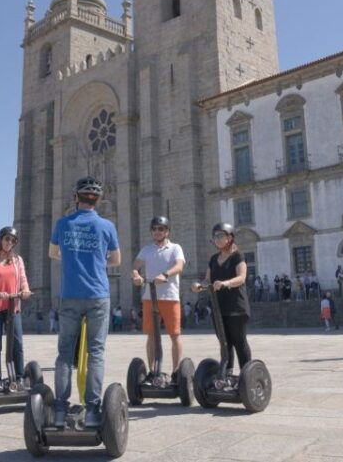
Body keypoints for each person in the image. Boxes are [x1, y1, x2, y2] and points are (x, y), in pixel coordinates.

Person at [49, 176, 120, 428]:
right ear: (98, 199)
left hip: (69, 294)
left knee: (65, 353)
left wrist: (71, 259)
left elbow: (52, 253)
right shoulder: (107, 226)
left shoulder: (63, 223)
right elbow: (116, 260)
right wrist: (97, 262)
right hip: (99, 294)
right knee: (97, 352)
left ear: (75, 198)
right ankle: (92, 410)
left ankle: (59, 409)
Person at [191, 222, 252, 375]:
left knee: (239, 341)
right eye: (214, 236)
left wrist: (225, 283)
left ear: (230, 237)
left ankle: (247, 374)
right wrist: (199, 285)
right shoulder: (213, 259)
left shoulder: (238, 256)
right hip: (218, 307)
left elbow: (241, 277)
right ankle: (227, 374)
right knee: (225, 343)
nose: (216, 239)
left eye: (220, 236)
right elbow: (208, 280)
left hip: (237, 306)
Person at [132, 215, 186, 378]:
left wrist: (165, 274)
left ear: (167, 231)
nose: (157, 231)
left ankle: (176, 370)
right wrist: (136, 275)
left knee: (175, 334)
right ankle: (153, 370)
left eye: (161, 229)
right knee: (151, 335)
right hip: (150, 297)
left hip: (170, 297)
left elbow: (179, 266)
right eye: (154, 229)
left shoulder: (175, 248)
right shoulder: (146, 250)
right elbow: (135, 266)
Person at [0, 226, 32, 391]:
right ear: (0, 240)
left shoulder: (18, 261)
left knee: (17, 343)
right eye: (7, 239)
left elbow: (23, 279)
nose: (9, 242)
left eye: (12, 240)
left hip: (13, 307)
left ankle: (19, 377)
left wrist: (25, 290)